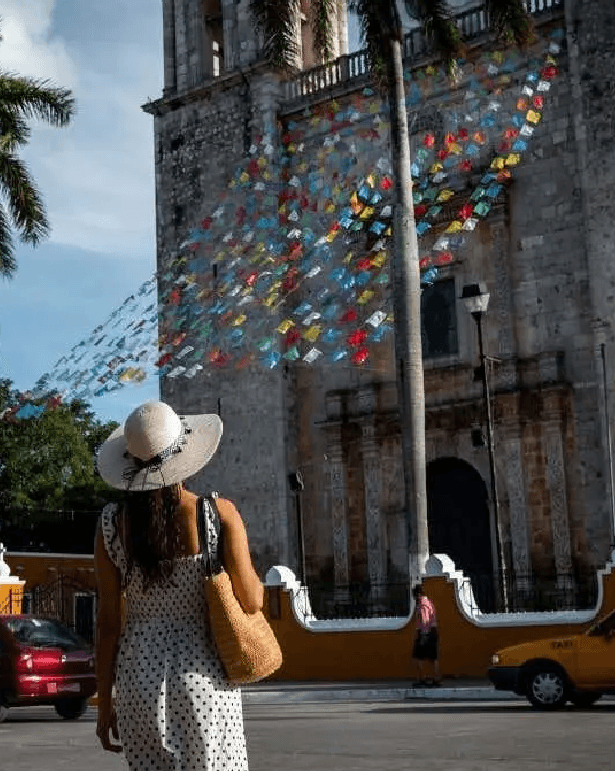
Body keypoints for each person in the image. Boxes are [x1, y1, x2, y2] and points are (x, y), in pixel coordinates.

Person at [94, 401, 263, 770]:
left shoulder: (111, 525)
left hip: (137, 681)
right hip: (202, 678)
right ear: (183, 455)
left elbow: (108, 626)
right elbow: (251, 601)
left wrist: (106, 705)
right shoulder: (217, 513)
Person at [411, 583, 441, 687]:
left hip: (425, 632)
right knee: (433, 657)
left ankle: (422, 678)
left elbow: (424, 620)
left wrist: (423, 635)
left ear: (418, 594)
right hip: (432, 631)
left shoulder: (422, 605)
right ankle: (436, 679)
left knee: (418, 657)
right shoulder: (429, 602)